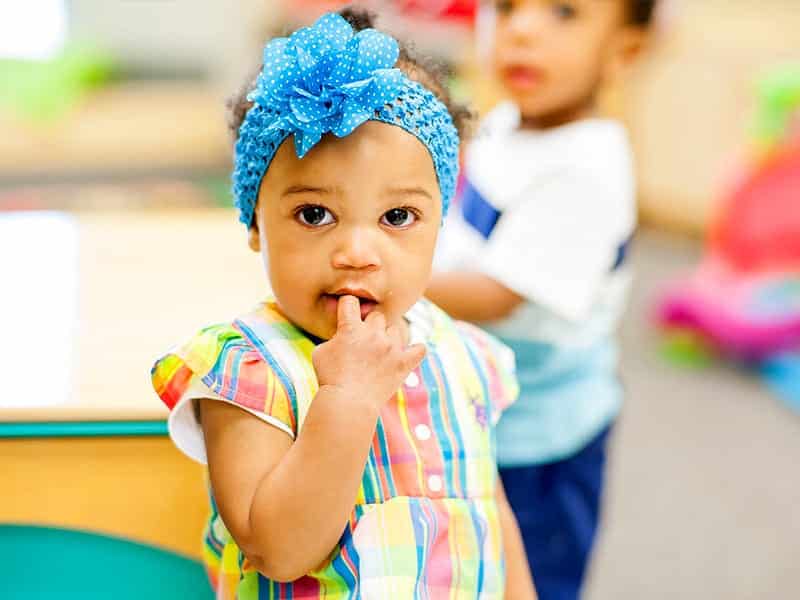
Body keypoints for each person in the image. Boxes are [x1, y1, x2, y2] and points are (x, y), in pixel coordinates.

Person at [151, 8, 537, 599]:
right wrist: (345, 402)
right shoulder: (250, 372)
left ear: (440, 225)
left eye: (398, 217)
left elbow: (490, 513)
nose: (357, 252)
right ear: (256, 221)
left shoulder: (465, 355)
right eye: (314, 215)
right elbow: (277, 549)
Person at [427, 1, 657, 598]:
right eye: (506, 8)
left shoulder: (587, 169)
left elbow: (497, 294)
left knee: (528, 578)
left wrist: (384, 281)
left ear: (623, 52)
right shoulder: (505, 123)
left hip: (543, 445)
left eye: (563, 13)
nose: (522, 30)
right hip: (484, 414)